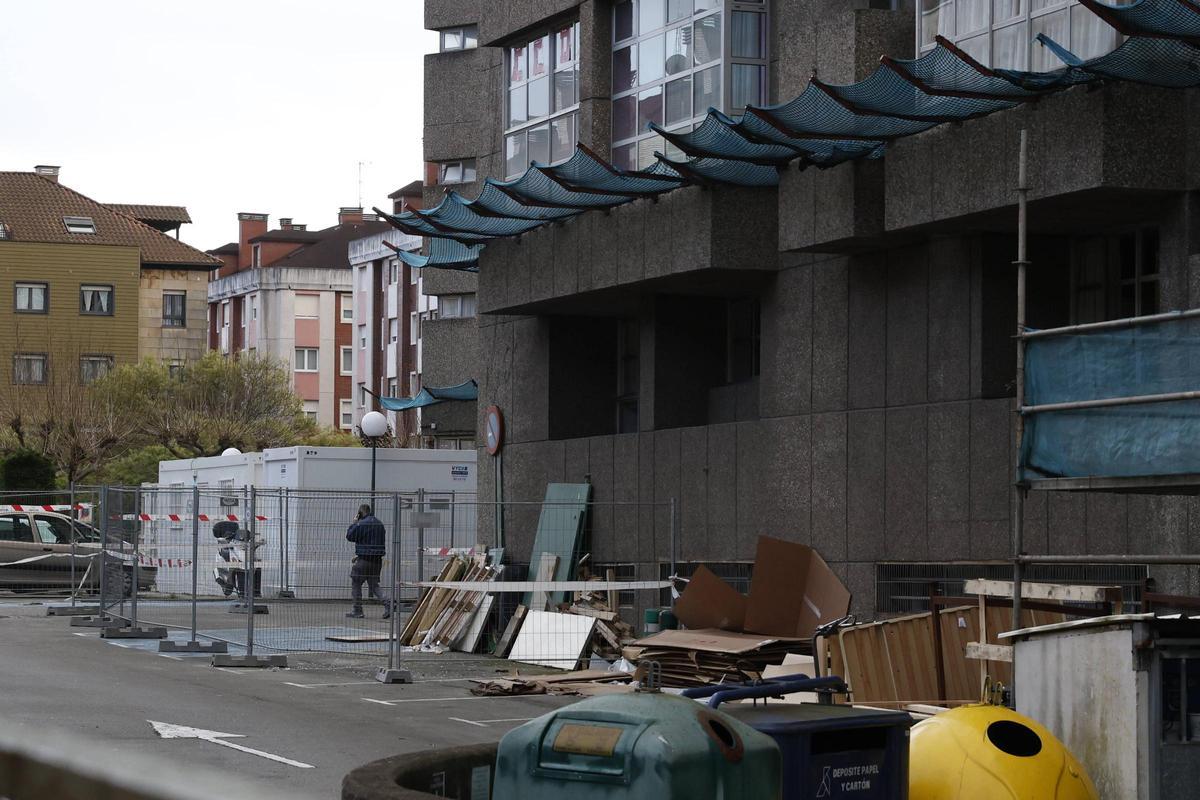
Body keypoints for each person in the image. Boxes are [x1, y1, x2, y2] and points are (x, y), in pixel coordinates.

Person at [345, 503, 391, 619]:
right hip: (377, 560)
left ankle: (357, 610)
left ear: (360, 513)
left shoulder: (361, 524)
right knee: (374, 585)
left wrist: (354, 523)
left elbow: (350, 536)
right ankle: (388, 602)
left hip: (364, 559)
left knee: (356, 582)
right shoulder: (379, 524)